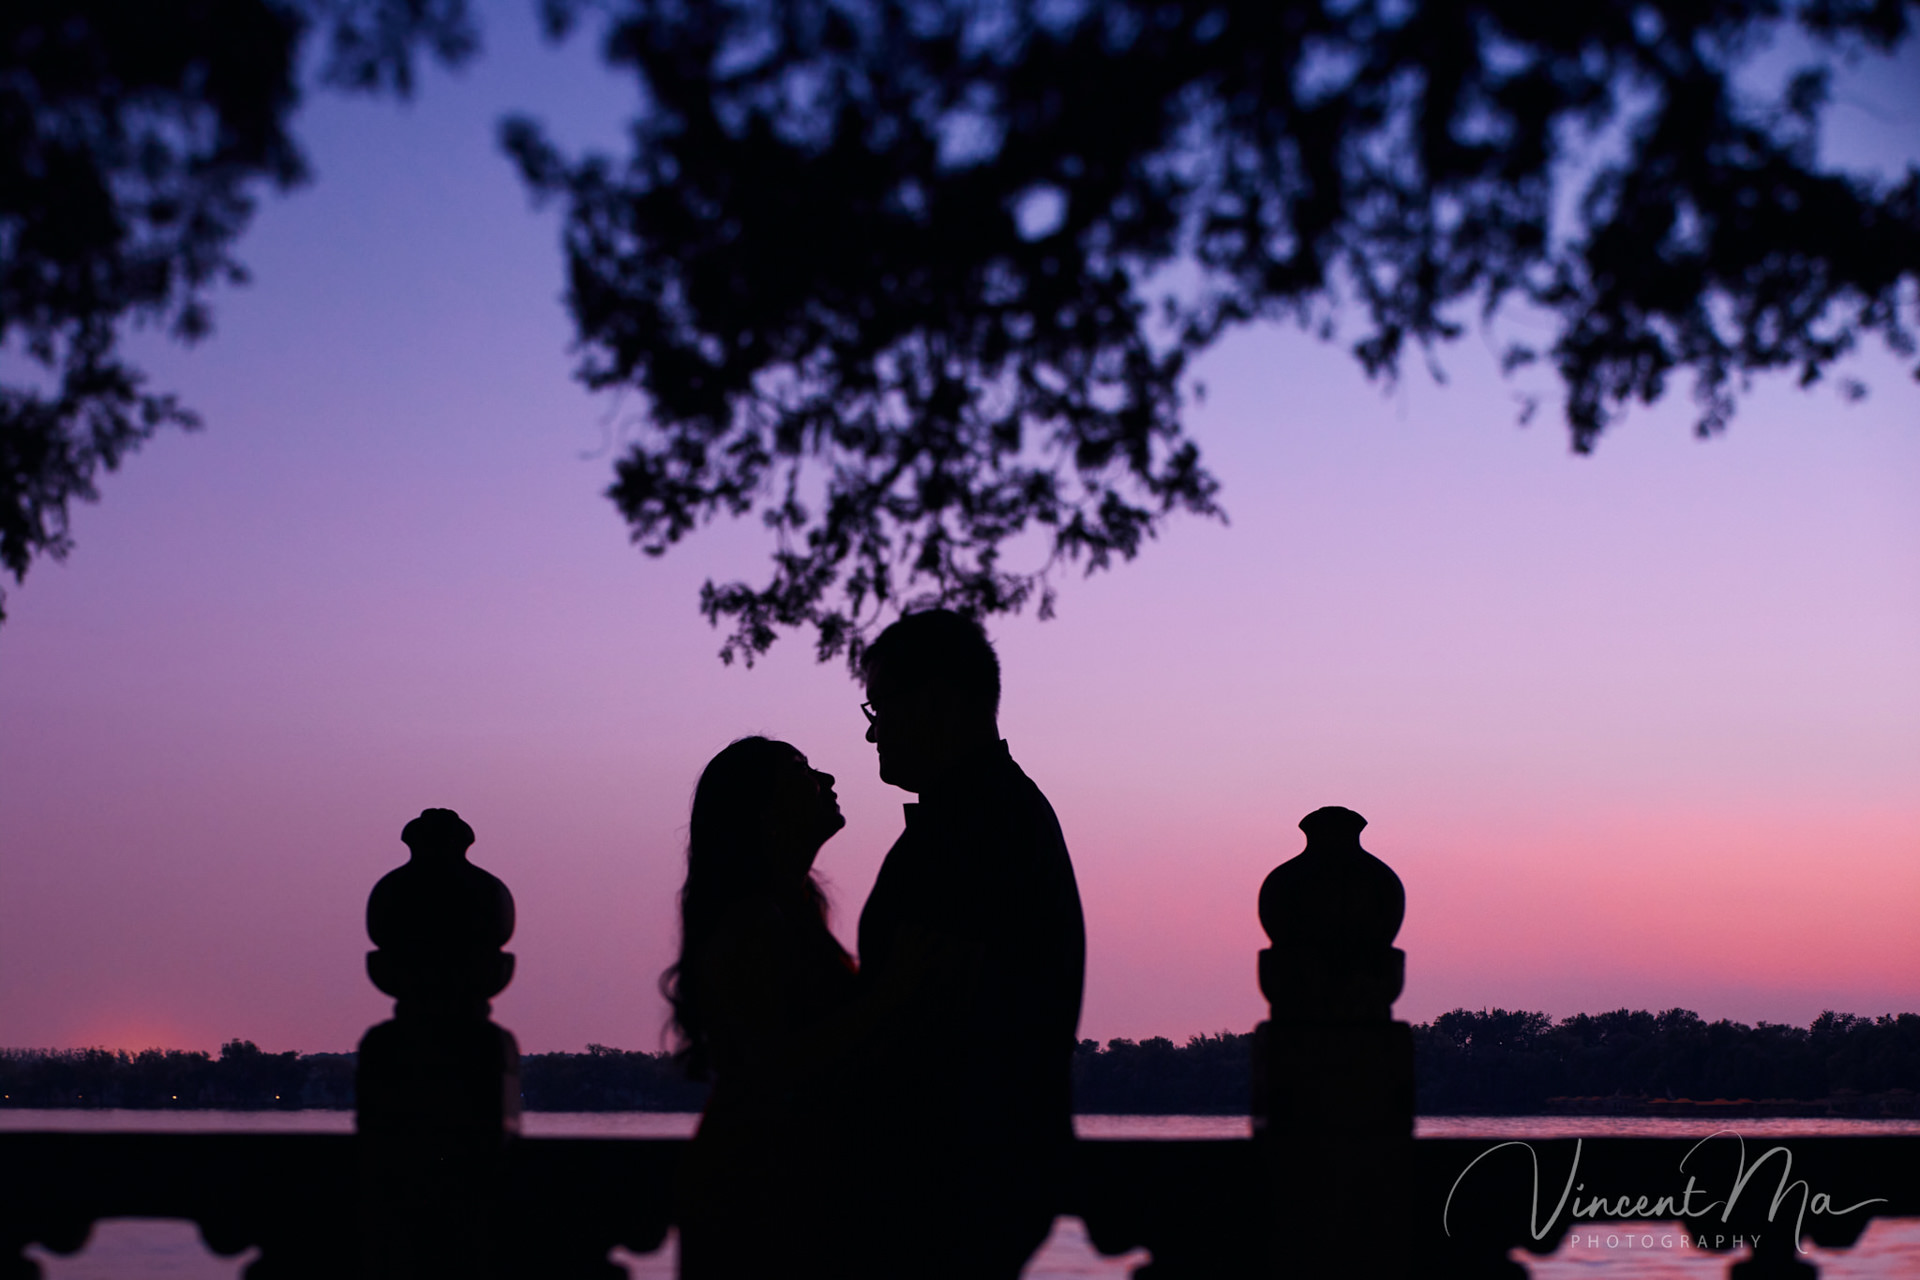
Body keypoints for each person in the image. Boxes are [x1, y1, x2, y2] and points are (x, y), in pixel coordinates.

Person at [851, 608, 1086, 1278]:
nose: (873, 730)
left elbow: (917, 1015)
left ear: (934, 702)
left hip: (950, 1178)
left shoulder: (976, 829)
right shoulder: (993, 812)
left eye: (881, 705)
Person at [664, 736, 860, 1279]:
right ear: (762, 810)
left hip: (777, 1176)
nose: (826, 778)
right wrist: (894, 997)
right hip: (758, 1185)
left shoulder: (791, 912)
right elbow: (772, 1063)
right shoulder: (753, 923)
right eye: (800, 769)